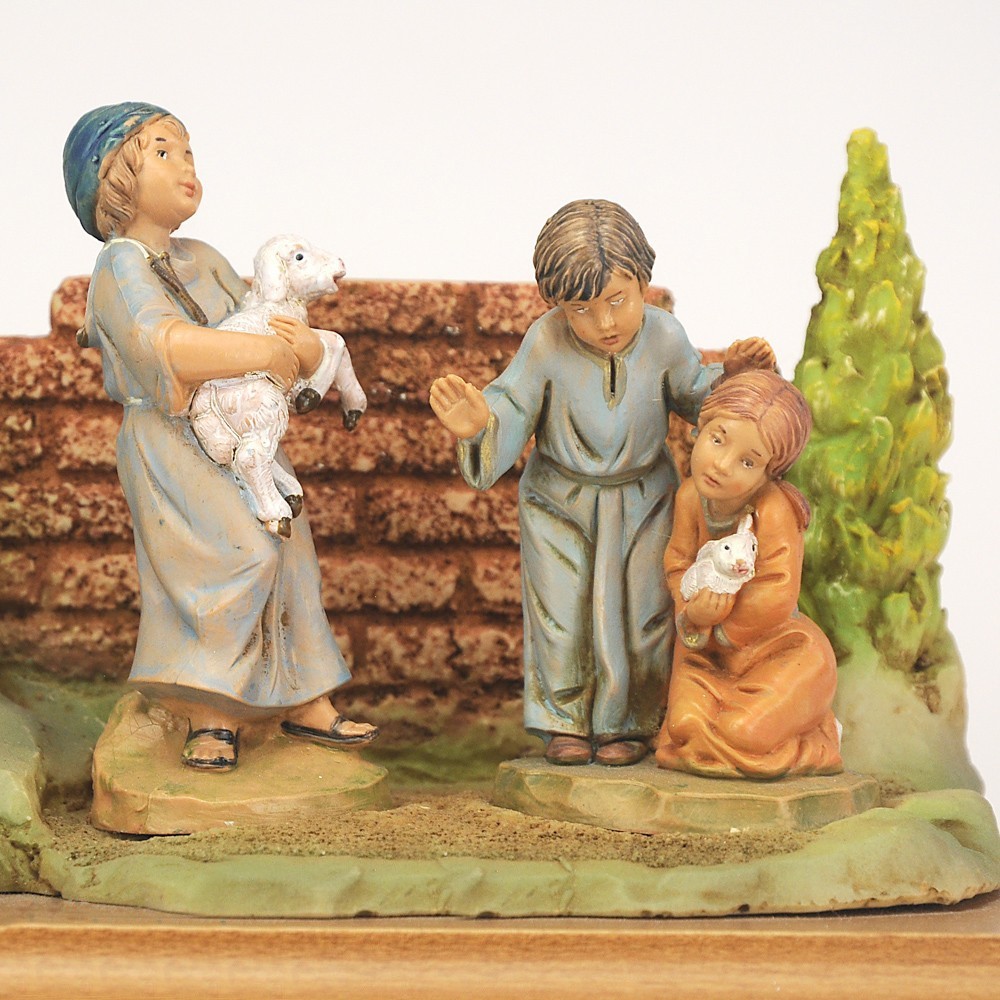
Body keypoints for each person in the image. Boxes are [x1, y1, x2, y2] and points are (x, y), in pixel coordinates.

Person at [63, 102, 377, 771]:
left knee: (289, 549)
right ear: (114, 179)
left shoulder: (202, 258)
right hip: (172, 438)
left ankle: (305, 697)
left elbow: (262, 314)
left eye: (188, 152)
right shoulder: (120, 267)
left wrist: (304, 348)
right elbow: (162, 345)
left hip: (242, 425)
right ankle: (213, 709)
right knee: (228, 560)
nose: (186, 166)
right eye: (162, 152)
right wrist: (266, 354)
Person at [430, 199, 774, 766]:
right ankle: (564, 720)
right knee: (561, 616)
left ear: (643, 282)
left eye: (618, 300)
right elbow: (512, 403)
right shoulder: (545, 343)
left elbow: (697, 395)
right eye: (582, 309)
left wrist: (733, 378)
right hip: (558, 503)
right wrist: (480, 426)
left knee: (645, 613)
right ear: (557, 304)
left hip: (645, 497)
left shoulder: (664, 337)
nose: (605, 323)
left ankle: (630, 721)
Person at [655, 370, 843, 778]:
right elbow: (678, 563)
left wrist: (721, 626)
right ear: (700, 426)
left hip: (778, 649)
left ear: (769, 472)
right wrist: (694, 616)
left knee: (745, 732)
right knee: (683, 727)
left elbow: (778, 591)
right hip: (706, 655)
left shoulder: (774, 510)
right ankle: (730, 746)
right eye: (717, 439)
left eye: (747, 461)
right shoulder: (689, 497)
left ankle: (813, 740)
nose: (721, 465)